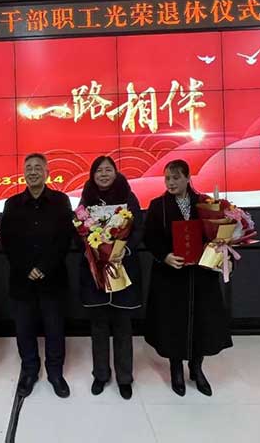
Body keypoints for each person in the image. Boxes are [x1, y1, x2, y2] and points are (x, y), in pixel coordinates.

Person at [143, 159, 232, 397]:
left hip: (201, 274)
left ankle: (196, 368)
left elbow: (216, 234)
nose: (170, 183)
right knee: (172, 321)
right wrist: (165, 256)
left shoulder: (206, 203)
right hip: (171, 274)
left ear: (187, 178)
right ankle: (175, 368)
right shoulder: (158, 205)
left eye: (176, 178)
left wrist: (216, 247)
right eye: (167, 178)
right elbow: (149, 237)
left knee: (201, 320)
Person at [0, 153, 74, 398]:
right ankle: (29, 370)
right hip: (21, 279)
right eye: (28, 168)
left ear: (47, 173)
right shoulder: (11, 204)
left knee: (55, 328)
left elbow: (65, 239)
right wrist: (26, 268)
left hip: (53, 277)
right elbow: (7, 241)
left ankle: (55, 372)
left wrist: (44, 267)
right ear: (24, 173)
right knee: (24, 329)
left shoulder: (61, 201)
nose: (33, 172)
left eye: (38, 168)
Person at [77, 156, 142, 400]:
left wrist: (124, 250)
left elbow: (139, 229)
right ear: (92, 175)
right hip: (96, 271)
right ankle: (101, 374)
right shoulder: (86, 199)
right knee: (99, 325)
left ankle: (124, 378)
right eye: (99, 171)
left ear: (116, 173)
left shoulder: (129, 197)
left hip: (122, 268)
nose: (103, 174)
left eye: (108, 170)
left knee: (123, 325)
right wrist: (92, 251)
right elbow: (78, 231)